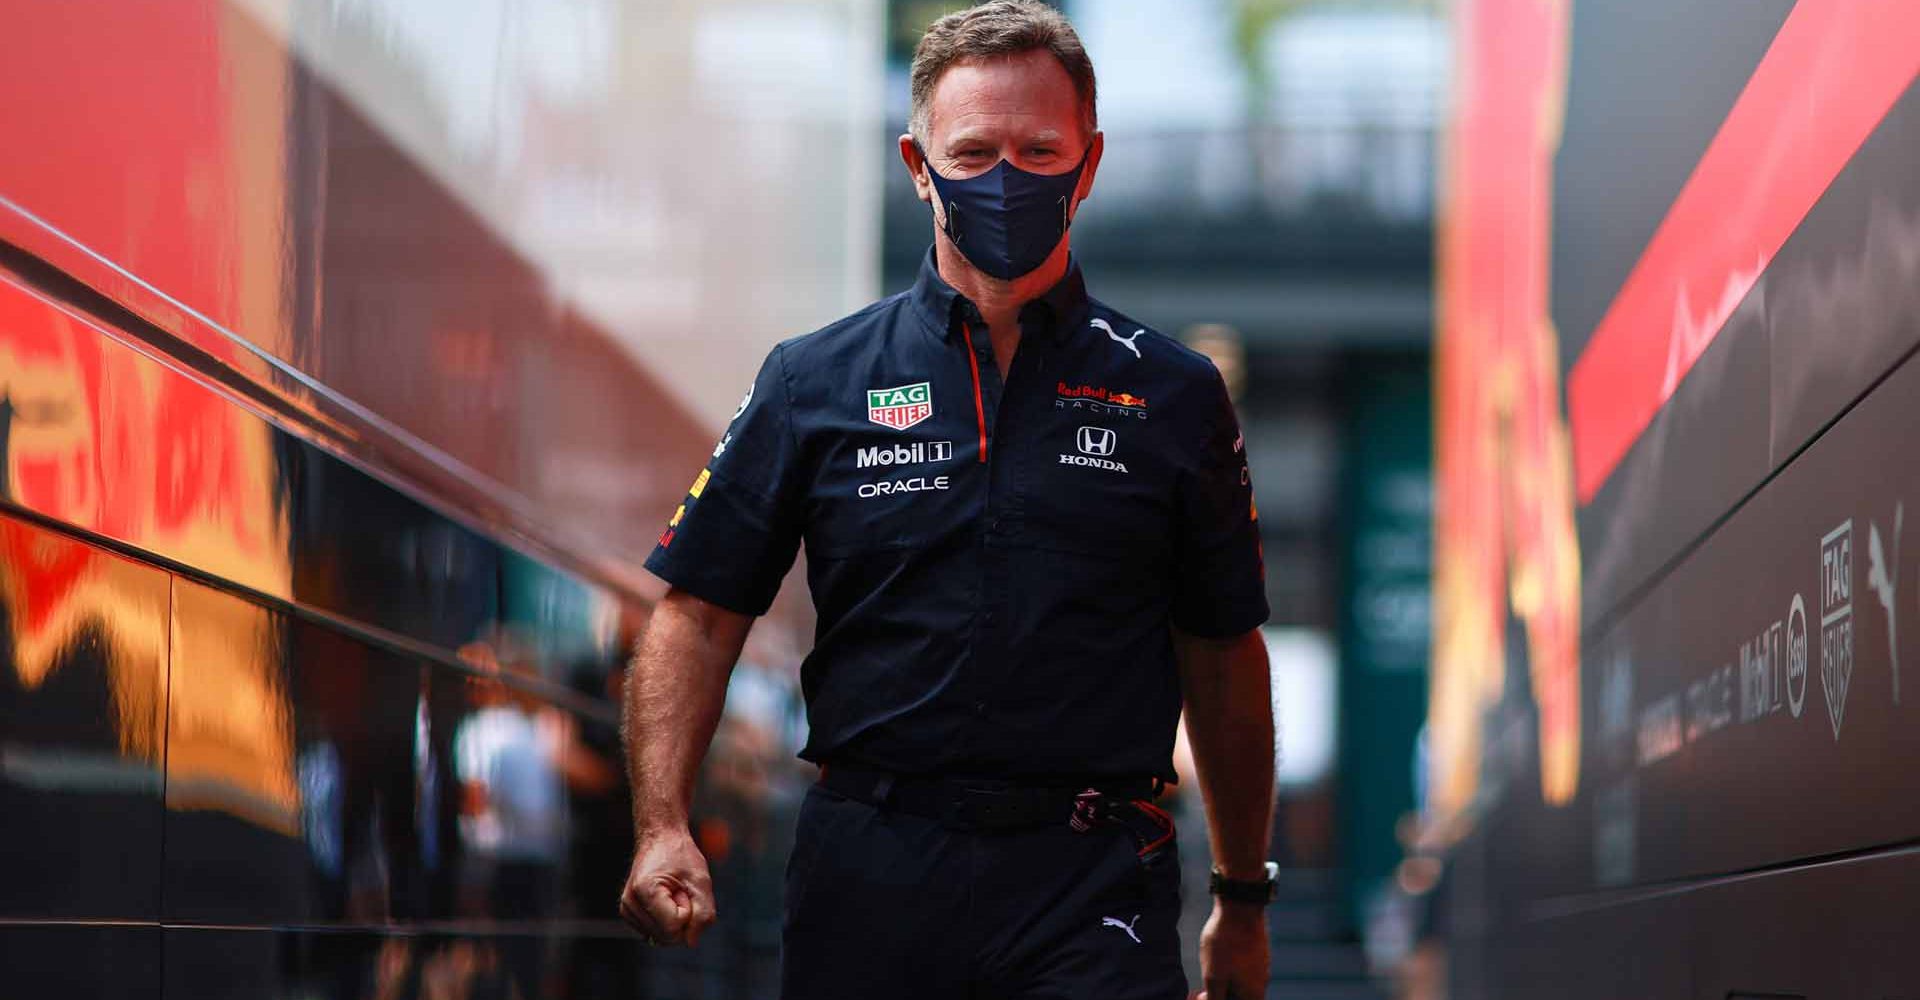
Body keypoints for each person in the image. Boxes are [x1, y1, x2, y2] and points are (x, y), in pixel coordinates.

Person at [620, 3, 1277, 997]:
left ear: (1088, 164)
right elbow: (698, 614)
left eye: (1038, 148)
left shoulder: (1174, 396)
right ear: (918, 164)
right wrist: (662, 822)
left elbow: (1225, 657)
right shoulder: (815, 381)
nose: (1006, 177)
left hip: (1092, 883)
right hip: (869, 875)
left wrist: (1241, 898)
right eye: (972, 151)